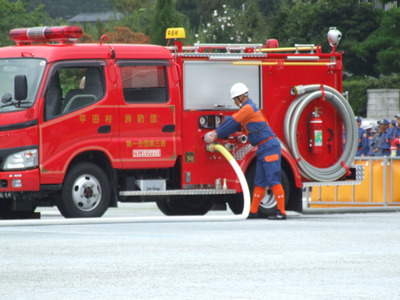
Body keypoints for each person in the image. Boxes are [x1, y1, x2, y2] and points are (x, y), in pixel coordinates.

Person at [203, 82, 286, 220]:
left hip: (269, 147)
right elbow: (233, 126)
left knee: (273, 179)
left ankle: (281, 212)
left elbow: (232, 122)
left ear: (241, 97)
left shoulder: (248, 109)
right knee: (259, 181)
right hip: (262, 147)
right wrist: (219, 133)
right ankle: (253, 211)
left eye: (235, 99)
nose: (235, 102)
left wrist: (215, 133)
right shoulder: (248, 109)